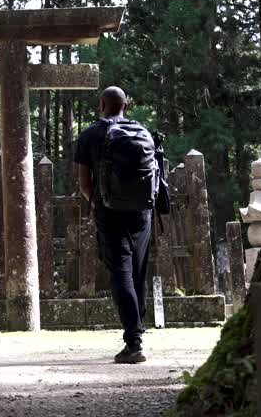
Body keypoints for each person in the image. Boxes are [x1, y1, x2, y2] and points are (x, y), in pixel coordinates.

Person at [73, 85, 154, 364]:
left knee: (120, 271)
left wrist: (98, 200)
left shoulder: (89, 134)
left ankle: (134, 341)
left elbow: (84, 184)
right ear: (125, 107)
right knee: (138, 271)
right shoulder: (141, 131)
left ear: (102, 105)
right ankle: (138, 332)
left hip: (109, 210)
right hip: (143, 210)